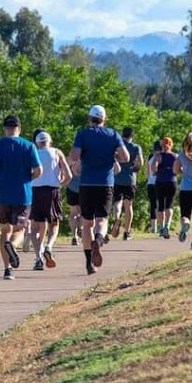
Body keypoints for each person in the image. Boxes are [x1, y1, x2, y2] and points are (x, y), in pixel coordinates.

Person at [67, 105, 130, 274]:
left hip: (86, 184)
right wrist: (112, 155)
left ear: (89, 118)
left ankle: (89, 263)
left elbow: (73, 157)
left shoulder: (83, 134)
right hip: (105, 183)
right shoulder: (112, 134)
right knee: (102, 220)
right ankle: (99, 241)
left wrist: (84, 155)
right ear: (104, 119)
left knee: (87, 224)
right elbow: (125, 157)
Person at [0, 115, 42, 280]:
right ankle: (14, 246)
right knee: (20, 230)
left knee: (5, 230)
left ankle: (7, 269)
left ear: (5, 128)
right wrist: (28, 179)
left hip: (2, 194)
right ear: (19, 128)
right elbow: (39, 171)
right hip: (22, 194)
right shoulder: (28, 146)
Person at [29, 131, 72, 270]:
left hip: (35, 191)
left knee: (35, 226)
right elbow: (69, 176)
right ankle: (49, 246)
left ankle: (38, 257)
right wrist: (61, 184)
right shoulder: (57, 152)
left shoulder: (32, 153)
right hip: (52, 191)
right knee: (54, 224)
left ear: (37, 142)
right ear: (50, 141)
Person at [110, 127, 144, 241]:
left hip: (117, 179)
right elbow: (140, 162)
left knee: (117, 202)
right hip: (130, 179)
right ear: (132, 135)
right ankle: (126, 232)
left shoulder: (117, 146)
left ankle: (117, 218)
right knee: (128, 205)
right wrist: (135, 169)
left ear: (122, 134)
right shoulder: (136, 147)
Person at [150, 137, 178, 238]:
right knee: (169, 205)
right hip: (172, 182)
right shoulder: (175, 156)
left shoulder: (158, 156)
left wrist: (157, 172)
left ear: (162, 145)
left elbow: (153, 168)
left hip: (160, 181)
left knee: (160, 206)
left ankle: (161, 227)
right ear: (171, 145)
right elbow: (180, 169)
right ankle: (167, 226)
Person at [145, 141, 161, 234]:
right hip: (160, 183)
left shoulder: (150, 157)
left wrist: (149, 179)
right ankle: (161, 226)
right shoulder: (162, 157)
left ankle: (153, 227)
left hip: (151, 183)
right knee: (161, 205)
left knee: (153, 205)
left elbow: (147, 172)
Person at [66, 168, 82, 246]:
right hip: (84, 186)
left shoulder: (70, 158)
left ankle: (74, 236)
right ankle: (81, 228)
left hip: (71, 186)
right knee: (84, 213)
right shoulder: (86, 157)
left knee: (73, 213)